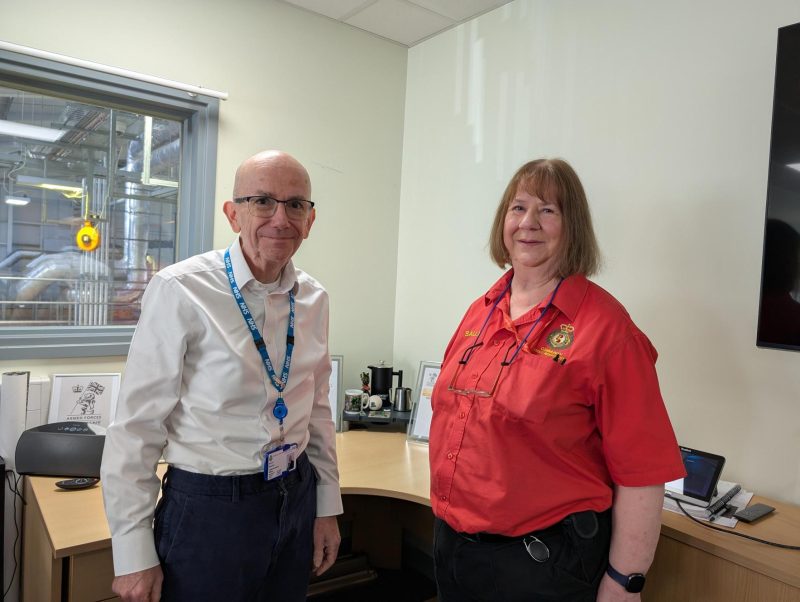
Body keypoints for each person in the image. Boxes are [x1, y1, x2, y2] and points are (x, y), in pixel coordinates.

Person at [429, 158, 686, 602]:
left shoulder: (607, 330)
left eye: (549, 210)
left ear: (573, 227)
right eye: (518, 208)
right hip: (456, 548)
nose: (529, 223)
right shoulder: (482, 310)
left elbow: (642, 473)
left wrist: (625, 583)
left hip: (541, 564)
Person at [101, 150, 342, 602]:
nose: (281, 218)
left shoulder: (315, 299)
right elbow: (136, 426)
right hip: (210, 511)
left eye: (296, 205)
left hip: (295, 496)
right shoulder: (181, 290)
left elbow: (318, 409)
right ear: (233, 214)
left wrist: (325, 508)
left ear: (310, 220)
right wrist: (132, 553)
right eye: (263, 201)